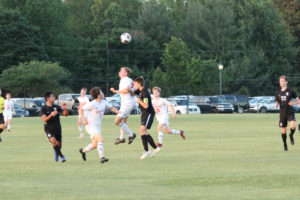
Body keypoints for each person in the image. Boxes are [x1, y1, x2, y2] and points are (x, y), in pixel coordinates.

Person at [79, 87, 119, 163]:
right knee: (100, 138)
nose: (103, 93)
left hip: (97, 126)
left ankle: (83, 150)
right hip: (90, 126)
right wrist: (83, 119)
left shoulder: (103, 102)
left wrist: (117, 111)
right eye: (101, 92)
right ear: (98, 95)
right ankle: (102, 157)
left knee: (95, 145)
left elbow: (111, 107)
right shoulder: (92, 104)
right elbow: (81, 109)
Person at [133, 76, 160, 159]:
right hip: (144, 114)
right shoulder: (140, 91)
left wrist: (139, 101)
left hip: (149, 113)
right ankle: (155, 148)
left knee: (143, 130)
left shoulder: (144, 92)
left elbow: (146, 105)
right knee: (143, 131)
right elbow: (133, 92)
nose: (134, 85)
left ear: (138, 83)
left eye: (135, 84)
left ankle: (147, 150)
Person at [110, 67, 136, 145]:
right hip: (128, 102)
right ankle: (122, 138)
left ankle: (131, 135)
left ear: (126, 73)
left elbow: (125, 91)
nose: (119, 72)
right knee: (123, 121)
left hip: (127, 103)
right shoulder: (130, 80)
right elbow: (132, 93)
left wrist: (115, 91)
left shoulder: (124, 80)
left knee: (117, 121)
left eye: (121, 71)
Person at [41, 92, 68, 162]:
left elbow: (65, 114)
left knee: (59, 145)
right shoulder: (43, 109)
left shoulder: (56, 107)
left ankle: (56, 152)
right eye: (52, 97)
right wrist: (51, 114)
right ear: (48, 98)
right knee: (53, 141)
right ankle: (62, 156)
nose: (54, 98)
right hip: (49, 129)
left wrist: (65, 109)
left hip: (57, 128)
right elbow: (44, 119)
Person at [275, 75, 299, 151]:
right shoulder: (277, 92)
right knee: (283, 130)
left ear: (286, 82)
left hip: (290, 112)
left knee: (293, 126)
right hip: (282, 113)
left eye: (282, 81)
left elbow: (298, 100)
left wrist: (294, 103)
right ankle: (285, 144)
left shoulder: (291, 91)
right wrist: (276, 104)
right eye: (280, 81)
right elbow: (277, 101)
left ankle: (291, 135)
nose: (280, 82)